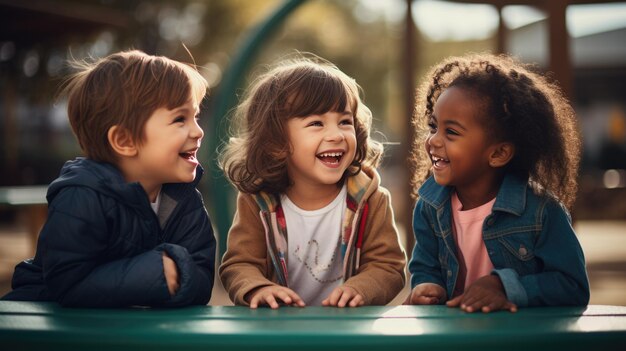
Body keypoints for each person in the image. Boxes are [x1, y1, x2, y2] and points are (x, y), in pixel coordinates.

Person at [2, 50, 216, 308]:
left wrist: (173, 276)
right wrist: (155, 273)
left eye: (196, 117)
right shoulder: (83, 194)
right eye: (180, 119)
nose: (198, 131)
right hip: (44, 321)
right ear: (124, 141)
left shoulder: (184, 200)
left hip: (129, 327)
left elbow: (202, 277)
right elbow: (67, 283)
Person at [405, 53, 590, 313]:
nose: (433, 140)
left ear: (498, 153)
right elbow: (426, 267)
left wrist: (503, 286)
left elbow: (573, 286)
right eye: (433, 126)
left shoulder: (542, 212)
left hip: (520, 338)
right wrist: (427, 286)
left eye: (451, 132)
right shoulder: (429, 208)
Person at [218, 55, 406, 309]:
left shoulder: (370, 198)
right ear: (277, 143)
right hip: (279, 330)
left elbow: (388, 266)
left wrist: (361, 288)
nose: (336, 134)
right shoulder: (259, 202)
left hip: (347, 330)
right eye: (316, 123)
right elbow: (240, 264)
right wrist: (258, 288)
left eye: (344, 121)